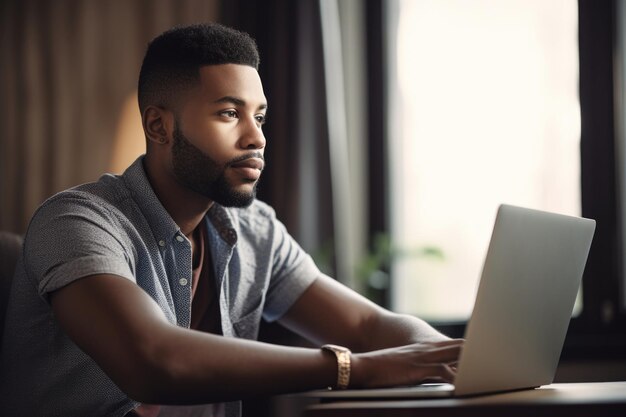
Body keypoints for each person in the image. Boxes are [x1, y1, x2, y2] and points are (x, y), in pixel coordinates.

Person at [0, 23, 463, 417]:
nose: (256, 137)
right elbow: (154, 361)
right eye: (228, 113)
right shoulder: (78, 222)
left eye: (259, 117)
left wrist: (451, 359)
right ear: (159, 127)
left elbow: (367, 327)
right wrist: (353, 368)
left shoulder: (255, 232)